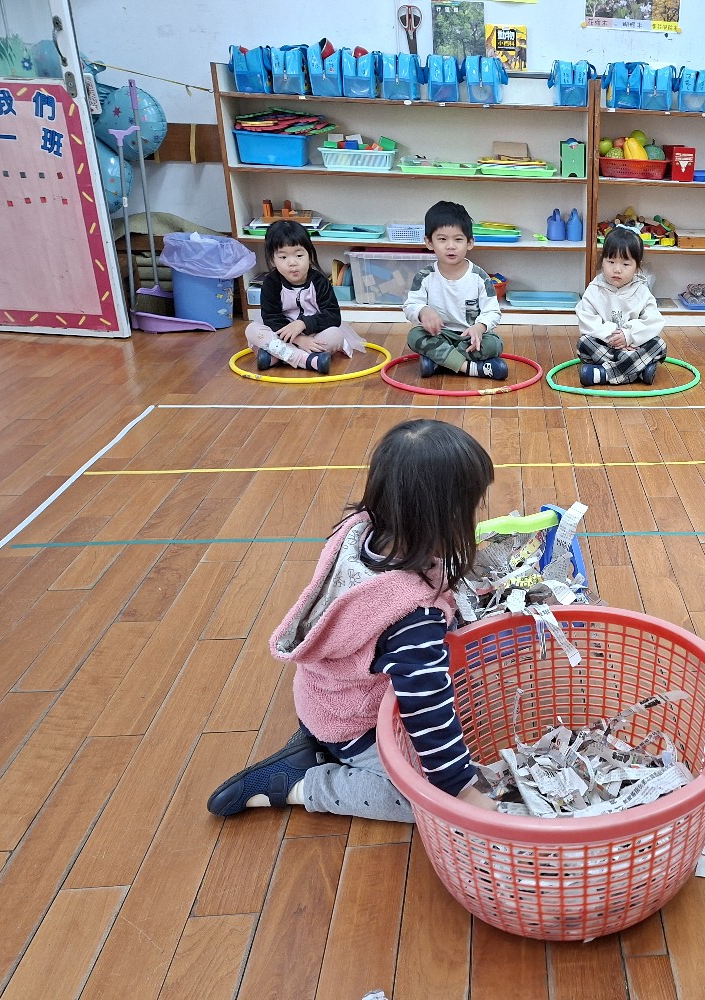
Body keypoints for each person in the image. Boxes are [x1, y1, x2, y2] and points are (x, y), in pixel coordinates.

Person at [207, 419, 499, 820]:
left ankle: (314, 747)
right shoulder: (412, 616)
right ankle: (298, 785)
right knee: (426, 804)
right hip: (354, 725)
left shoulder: (358, 531)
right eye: (470, 508)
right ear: (442, 518)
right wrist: (459, 790)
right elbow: (427, 712)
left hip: (323, 694)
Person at [404, 201, 507, 380]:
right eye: (442, 239)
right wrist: (423, 311)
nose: (450, 246)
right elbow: (410, 306)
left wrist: (480, 327)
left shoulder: (480, 278)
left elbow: (492, 311)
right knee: (415, 335)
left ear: (470, 242)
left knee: (494, 343)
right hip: (438, 335)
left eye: (458, 239)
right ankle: (470, 368)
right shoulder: (424, 276)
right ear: (429, 242)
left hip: (469, 337)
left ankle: (438, 362)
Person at [246, 220, 365, 374]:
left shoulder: (319, 281)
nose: (292, 263)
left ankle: (276, 356)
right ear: (272, 260)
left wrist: (303, 324)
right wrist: (298, 340)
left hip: (314, 334)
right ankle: (307, 360)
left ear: (309, 255)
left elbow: (333, 316)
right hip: (280, 333)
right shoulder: (271, 282)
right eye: (283, 257)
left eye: (299, 255)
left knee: (336, 335)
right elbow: (271, 318)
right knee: (252, 330)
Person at [575, 226, 667, 386]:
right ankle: (638, 370)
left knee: (659, 345)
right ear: (602, 260)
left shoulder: (642, 290)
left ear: (637, 266)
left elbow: (653, 321)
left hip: (634, 345)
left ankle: (603, 374)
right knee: (584, 343)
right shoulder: (594, 289)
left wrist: (629, 335)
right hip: (606, 345)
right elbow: (587, 321)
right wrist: (613, 337)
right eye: (611, 262)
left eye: (625, 264)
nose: (617, 269)